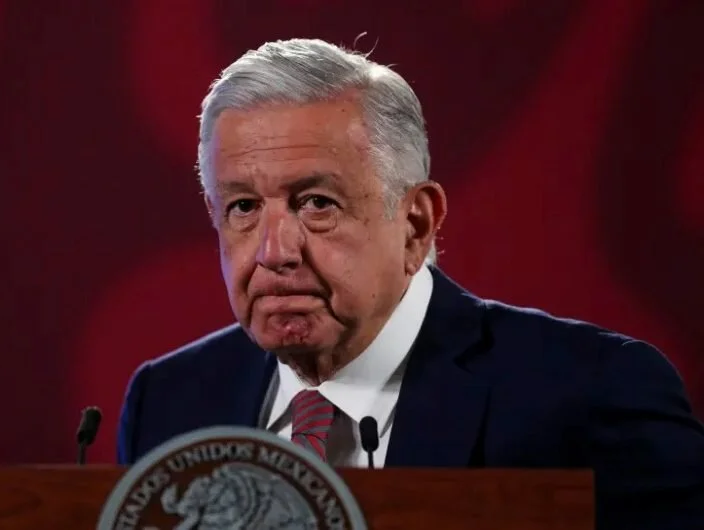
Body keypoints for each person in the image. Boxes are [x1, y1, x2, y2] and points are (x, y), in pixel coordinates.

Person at [117, 38, 704, 528]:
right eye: (243, 207)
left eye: (317, 203)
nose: (274, 252)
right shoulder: (169, 403)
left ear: (417, 223)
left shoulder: (592, 394)